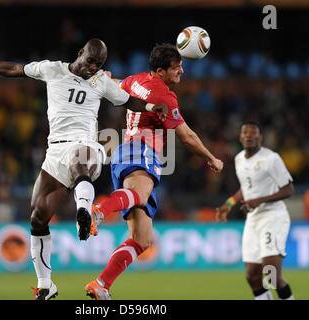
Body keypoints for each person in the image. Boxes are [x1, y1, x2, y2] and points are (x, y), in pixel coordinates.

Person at [0, 38, 167, 300]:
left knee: (81, 164)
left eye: (98, 65)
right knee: (37, 218)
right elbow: (14, 69)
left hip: (87, 145)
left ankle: (86, 214)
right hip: (55, 153)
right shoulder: (52, 69)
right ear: (80, 53)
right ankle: (46, 285)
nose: (92, 68)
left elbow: (126, 101)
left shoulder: (101, 82)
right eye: (90, 61)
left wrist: (148, 107)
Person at [84, 43, 223, 300]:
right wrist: (211, 157)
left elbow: (115, 83)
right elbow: (187, 137)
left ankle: (101, 284)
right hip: (141, 151)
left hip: (125, 153)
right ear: (161, 71)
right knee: (139, 194)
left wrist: (101, 77)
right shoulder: (164, 97)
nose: (182, 70)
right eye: (176, 67)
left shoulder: (136, 80)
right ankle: (100, 210)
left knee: (142, 239)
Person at [215, 121, 295, 300]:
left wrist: (259, 200)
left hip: (273, 216)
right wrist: (229, 204)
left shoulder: (271, 158)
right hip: (253, 220)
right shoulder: (239, 159)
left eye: (253, 133)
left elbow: (289, 189)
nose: (249, 136)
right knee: (252, 276)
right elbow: (246, 187)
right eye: (246, 133)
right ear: (240, 137)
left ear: (260, 137)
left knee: (272, 275)